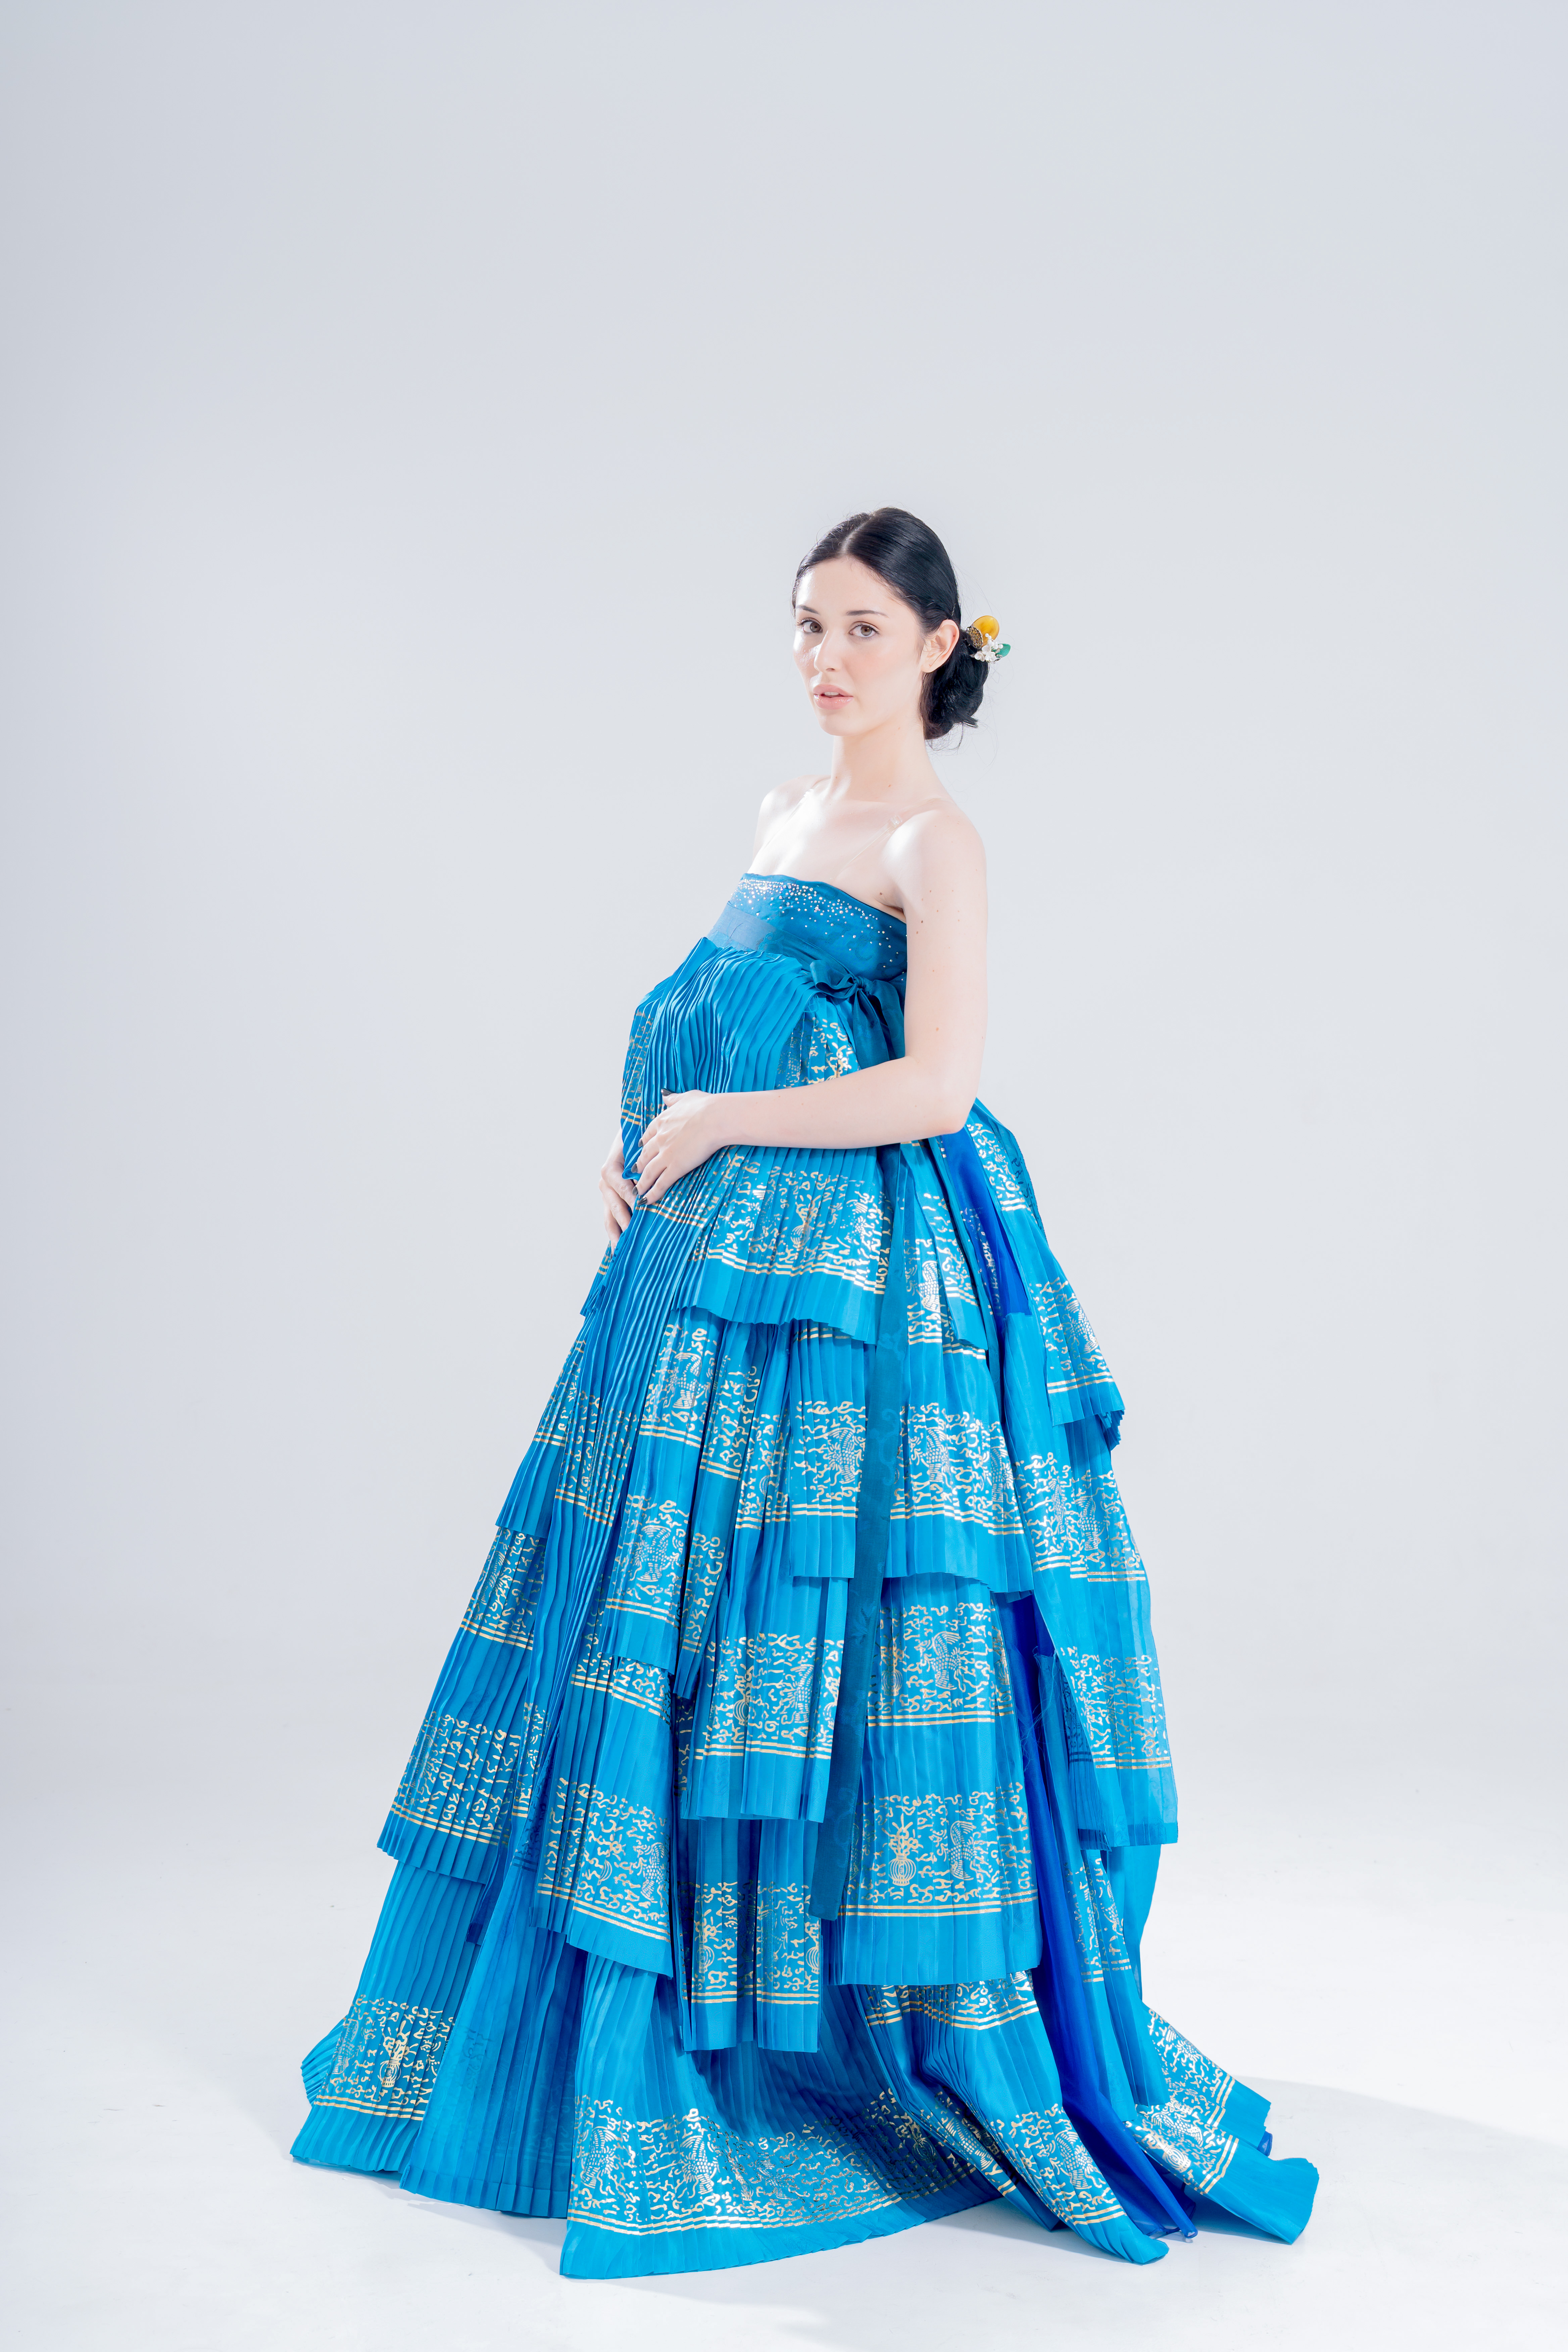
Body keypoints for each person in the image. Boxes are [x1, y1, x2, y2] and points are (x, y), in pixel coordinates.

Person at [291, 507, 1317, 2276]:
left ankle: (816, 2038)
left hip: (854, 1309)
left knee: (819, 1635)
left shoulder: (934, 839)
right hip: (702, 1291)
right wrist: (650, 1146)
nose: (826, 658)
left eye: (861, 628)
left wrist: (721, 1123)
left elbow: (936, 1084)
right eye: (807, 624)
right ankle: (618, 2016)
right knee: (666, 1630)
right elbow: (725, 1031)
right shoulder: (781, 815)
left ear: (938, 647)